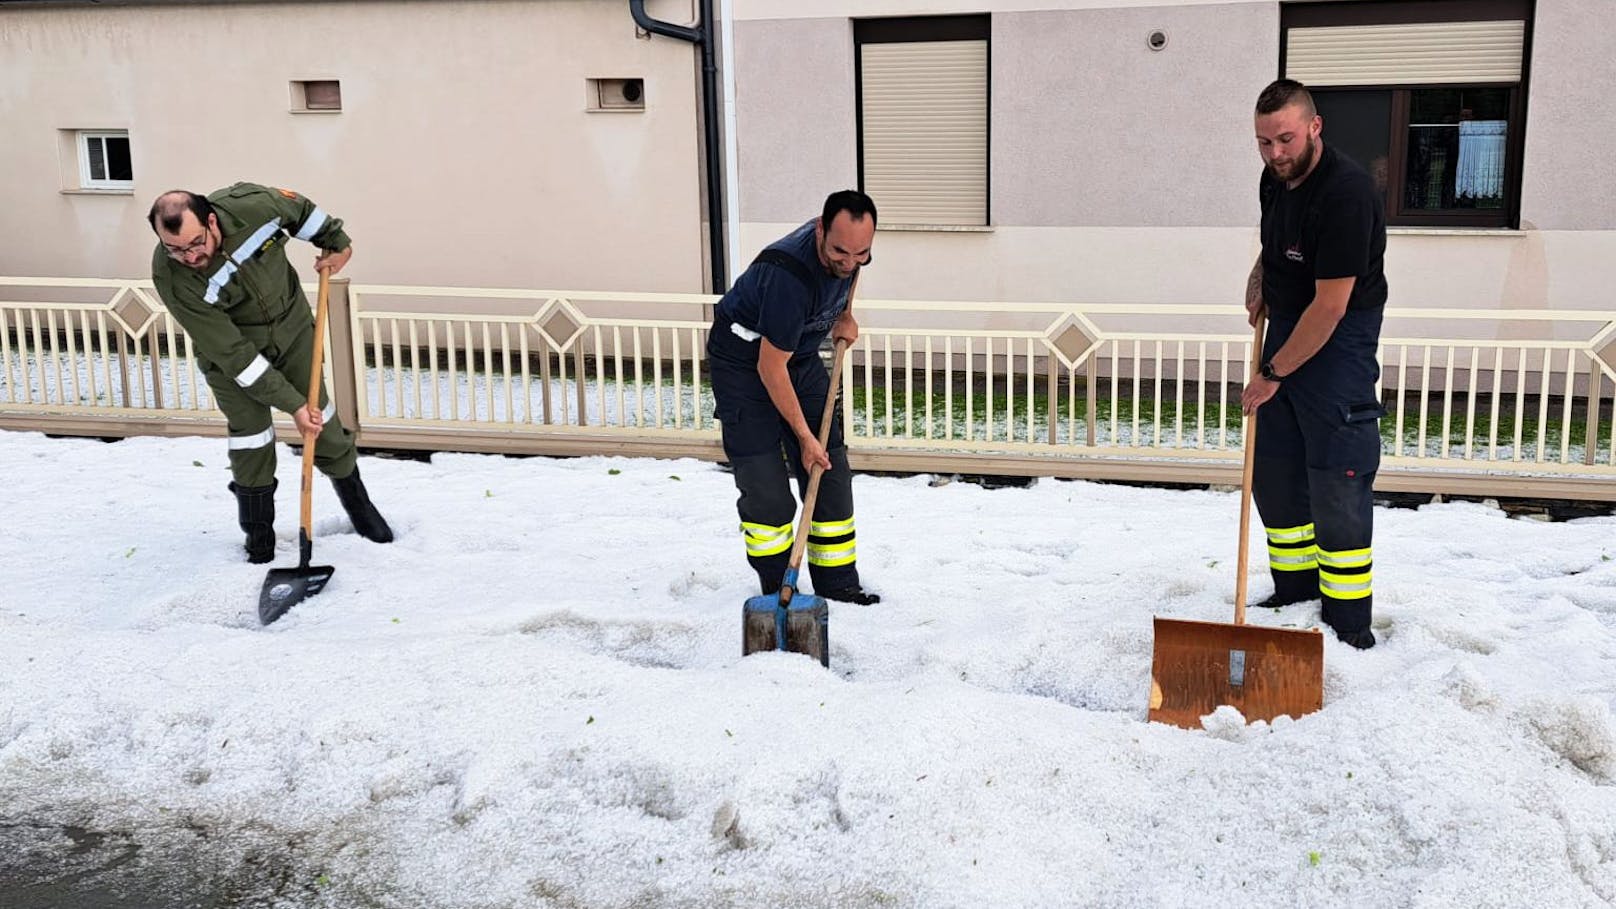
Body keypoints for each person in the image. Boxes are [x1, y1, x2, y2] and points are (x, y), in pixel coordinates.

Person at [147, 184, 393, 563]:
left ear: (211, 221)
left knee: (322, 418)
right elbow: (233, 353)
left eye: (195, 243)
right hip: (233, 356)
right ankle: (259, 536)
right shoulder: (172, 277)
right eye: (175, 249)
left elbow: (306, 216)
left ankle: (360, 508)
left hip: (293, 330)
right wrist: (291, 404)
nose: (190, 256)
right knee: (251, 438)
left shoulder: (255, 207)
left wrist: (339, 244)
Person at [1241, 79, 1387, 650]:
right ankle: (1294, 592)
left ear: (1315, 127)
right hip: (1288, 327)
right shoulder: (1273, 179)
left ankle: (1348, 625)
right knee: (1276, 473)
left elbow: (1330, 307)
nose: (1275, 153)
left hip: (1338, 342)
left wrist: (1272, 374)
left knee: (1336, 481)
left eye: (1285, 139)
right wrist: (1260, 279)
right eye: (1263, 142)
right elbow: (1274, 242)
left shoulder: (1347, 193)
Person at [707, 190, 881, 605]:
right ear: (820, 229)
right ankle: (777, 590)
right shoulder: (789, 276)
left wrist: (845, 315)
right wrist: (803, 437)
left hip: (797, 358)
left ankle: (839, 585)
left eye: (862, 253)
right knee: (766, 486)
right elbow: (770, 368)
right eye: (840, 252)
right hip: (744, 366)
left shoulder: (848, 253)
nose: (850, 262)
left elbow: (849, 274)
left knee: (829, 468)